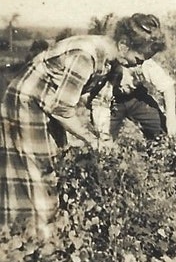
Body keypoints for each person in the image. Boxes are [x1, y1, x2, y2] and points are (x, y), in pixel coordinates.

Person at [0, 14, 167, 237]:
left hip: (46, 104)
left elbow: (101, 101)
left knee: (53, 163)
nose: (140, 64)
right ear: (124, 45)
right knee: (37, 170)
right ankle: (34, 240)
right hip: (26, 104)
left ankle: (36, 235)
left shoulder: (111, 60)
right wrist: (91, 140)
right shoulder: (85, 55)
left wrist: (103, 137)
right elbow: (61, 109)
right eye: (139, 58)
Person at [93, 56, 176, 142]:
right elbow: (99, 105)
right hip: (112, 102)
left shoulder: (143, 62)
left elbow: (167, 87)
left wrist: (171, 120)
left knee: (163, 130)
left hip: (137, 98)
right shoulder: (106, 66)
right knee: (103, 139)